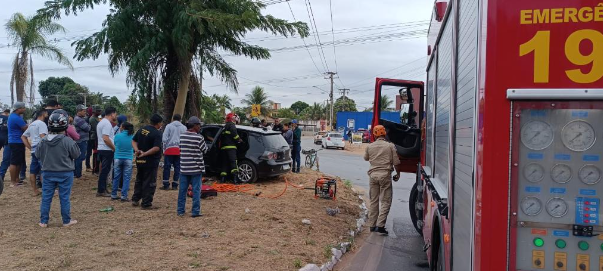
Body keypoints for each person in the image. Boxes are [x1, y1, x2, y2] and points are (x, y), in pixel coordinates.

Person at [36, 109, 80, 228]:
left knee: (46, 197)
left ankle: (43, 221)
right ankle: (66, 220)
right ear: (65, 125)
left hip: (47, 173)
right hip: (65, 173)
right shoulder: (68, 141)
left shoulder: (43, 141)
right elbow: (76, 155)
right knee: (64, 197)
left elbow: (37, 155)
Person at [363, 125, 400, 235]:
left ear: (374, 135)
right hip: (385, 176)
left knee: (374, 201)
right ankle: (380, 225)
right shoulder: (390, 146)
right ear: (384, 134)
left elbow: (366, 158)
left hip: (373, 176)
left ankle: (372, 225)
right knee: (385, 201)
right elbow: (396, 162)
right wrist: (398, 173)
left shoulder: (370, 146)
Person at [177, 116, 208, 217]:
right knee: (196, 191)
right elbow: (205, 150)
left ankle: (180, 211)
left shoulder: (182, 136)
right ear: (194, 126)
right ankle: (195, 212)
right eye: (199, 125)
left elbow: (180, 149)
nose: (200, 127)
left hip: (184, 168)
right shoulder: (199, 137)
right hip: (196, 169)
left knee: (182, 190)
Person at [132, 114, 163, 209]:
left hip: (140, 160)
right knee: (149, 182)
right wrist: (144, 153)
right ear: (158, 123)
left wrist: (137, 150)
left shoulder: (142, 129)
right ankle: (146, 203)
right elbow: (156, 148)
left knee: (139, 179)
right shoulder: (157, 133)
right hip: (150, 161)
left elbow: (133, 141)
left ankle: (135, 199)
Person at [21, 110, 49, 196]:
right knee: (44, 170)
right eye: (47, 113)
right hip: (41, 149)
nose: (47, 115)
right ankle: (46, 190)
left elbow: (23, 137)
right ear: (43, 114)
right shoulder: (42, 124)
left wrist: (30, 147)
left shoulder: (32, 124)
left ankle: (35, 190)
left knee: (33, 171)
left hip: (34, 149)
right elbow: (42, 136)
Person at [96, 107, 117, 197]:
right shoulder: (107, 124)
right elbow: (106, 138)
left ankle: (103, 188)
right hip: (106, 149)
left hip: (102, 149)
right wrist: (114, 148)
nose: (116, 116)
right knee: (105, 170)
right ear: (112, 114)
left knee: (104, 170)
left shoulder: (102, 122)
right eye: (115, 114)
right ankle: (101, 190)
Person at [161, 114, 186, 190]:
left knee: (167, 167)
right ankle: (175, 185)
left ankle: (166, 185)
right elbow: (184, 139)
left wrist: (164, 148)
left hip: (169, 149)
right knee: (177, 167)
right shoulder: (184, 127)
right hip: (179, 150)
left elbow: (164, 138)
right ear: (180, 119)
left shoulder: (169, 126)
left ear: (173, 118)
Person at [111, 122, 134, 201]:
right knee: (126, 178)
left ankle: (113, 194)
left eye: (120, 126)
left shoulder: (117, 136)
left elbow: (114, 144)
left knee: (116, 177)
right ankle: (124, 196)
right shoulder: (132, 137)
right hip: (128, 159)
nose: (119, 127)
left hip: (117, 158)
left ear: (123, 127)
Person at [7, 102, 28, 187]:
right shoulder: (16, 118)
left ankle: (17, 179)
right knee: (14, 162)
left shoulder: (14, 116)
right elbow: (25, 128)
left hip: (16, 141)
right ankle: (13, 182)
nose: (24, 109)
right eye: (23, 108)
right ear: (18, 109)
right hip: (16, 141)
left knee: (18, 161)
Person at [219, 113, 242, 183]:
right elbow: (235, 136)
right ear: (234, 119)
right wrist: (240, 140)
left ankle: (223, 179)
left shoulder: (224, 127)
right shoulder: (232, 126)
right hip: (231, 148)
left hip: (223, 148)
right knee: (233, 163)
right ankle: (235, 180)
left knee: (224, 163)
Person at [73, 105, 90, 178]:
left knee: (79, 157)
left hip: (80, 140)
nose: (85, 112)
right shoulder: (79, 119)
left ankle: (76, 173)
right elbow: (87, 128)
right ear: (79, 111)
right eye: (84, 111)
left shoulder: (80, 119)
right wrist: (89, 125)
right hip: (81, 141)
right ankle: (78, 174)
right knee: (80, 157)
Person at [87, 105, 101, 174]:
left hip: (97, 137)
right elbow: (97, 129)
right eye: (98, 111)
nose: (100, 112)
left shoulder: (96, 118)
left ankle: (96, 169)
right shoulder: (92, 119)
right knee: (96, 154)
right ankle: (95, 169)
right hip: (95, 138)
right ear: (94, 111)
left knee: (97, 153)